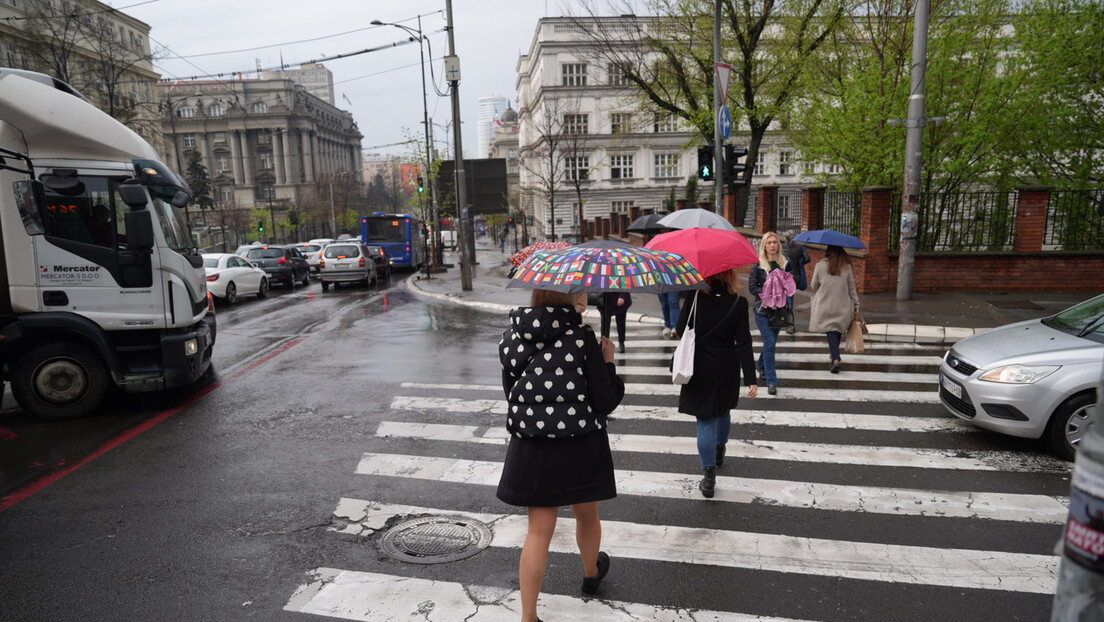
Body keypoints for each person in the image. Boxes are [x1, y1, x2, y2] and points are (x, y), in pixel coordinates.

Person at [497, 289, 625, 622]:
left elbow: (514, 394)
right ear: (570, 295)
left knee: (538, 531)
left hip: (533, 445)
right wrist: (608, 363)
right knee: (587, 514)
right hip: (580, 441)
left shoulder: (513, 336)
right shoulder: (582, 338)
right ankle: (591, 572)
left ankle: (528, 615)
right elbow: (605, 400)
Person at [675, 268, 758, 498]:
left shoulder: (695, 297)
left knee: (705, 420)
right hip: (726, 367)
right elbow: (744, 343)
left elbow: (680, 330)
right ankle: (720, 449)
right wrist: (751, 379)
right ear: (731, 277)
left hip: (699, 366)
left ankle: (709, 477)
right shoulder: (738, 304)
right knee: (722, 410)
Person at [747, 231, 789, 395]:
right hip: (762, 310)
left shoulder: (785, 263)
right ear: (764, 246)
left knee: (770, 344)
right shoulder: (758, 265)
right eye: (769, 243)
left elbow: (791, 284)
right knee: (770, 342)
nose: (772, 245)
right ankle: (772, 381)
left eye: (775, 242)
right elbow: (752, 287)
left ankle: (762, 366)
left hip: (779, 311)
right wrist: (767, 290)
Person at [809, 245, 860, 374]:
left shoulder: (820, 265)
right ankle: (834, 356)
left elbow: (814, 285)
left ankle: (836, 359)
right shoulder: (847, 267)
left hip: (825, 305)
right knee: (836, 331)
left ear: (828, 251)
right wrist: (856, 305)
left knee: (831, 331)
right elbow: (852, 289)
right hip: (842, 307)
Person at [781, 232, 810, 335]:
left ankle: (790, 324)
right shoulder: (800, 247)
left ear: (785, 237)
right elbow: (807, 259)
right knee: (789, 299)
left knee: (785, 300)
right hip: (796, 277)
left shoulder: (782, 247)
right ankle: (788, 322)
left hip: (785, 276)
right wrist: (800, 261)